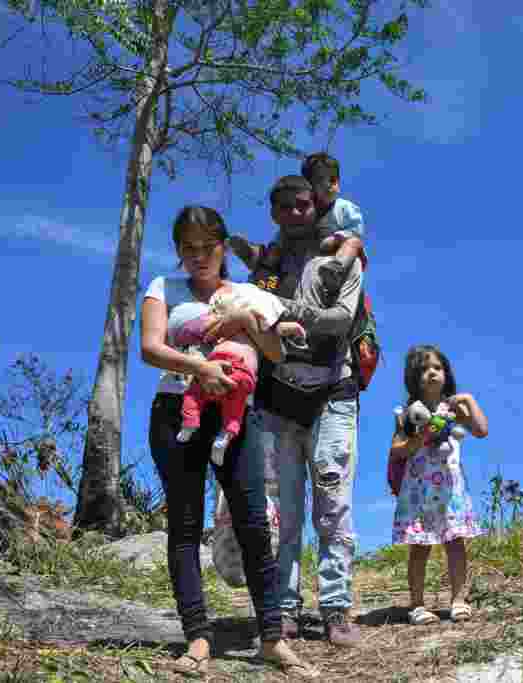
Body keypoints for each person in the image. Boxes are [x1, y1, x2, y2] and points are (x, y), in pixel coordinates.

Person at [140, 205, 316, 676]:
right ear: (178, 251)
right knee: (184, 524)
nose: (199, 257)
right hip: (177, 412)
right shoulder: (163, 288)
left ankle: (272, 637)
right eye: (189, 249)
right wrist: (200, 367)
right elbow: (150, 347)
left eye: (208, 247)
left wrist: (246, 319)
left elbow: (277, 351)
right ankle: (197, 637)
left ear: (223, 247)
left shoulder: (248, 293)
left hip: (238, 414)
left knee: (254, 523)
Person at [230, 175, 365, 647]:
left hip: (333, 393)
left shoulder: (343, 258)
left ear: (318, 205)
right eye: (285, 206)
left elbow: (338, 324)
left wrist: (280, 308)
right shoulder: (264, 269)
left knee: (332, 505)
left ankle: (336, 607)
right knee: (282, 510)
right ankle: (283, 607)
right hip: (276, 399)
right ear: (274, 212)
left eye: (303, 204)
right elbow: (249, 320)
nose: (295, 213)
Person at [387, 344, 489, 626]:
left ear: (446, 373)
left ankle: (458, 600)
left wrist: (468, 399)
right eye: (423, 369)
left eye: (437, 368)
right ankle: (417, 604)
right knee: (420, 546)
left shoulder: (453, 409)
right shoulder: (407, 412)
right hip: (419, 491)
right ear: (413, 377)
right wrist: (422, 436)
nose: (431, 373)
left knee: (456, 543)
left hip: (450, 490)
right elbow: (398, 449)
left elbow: (481, 430)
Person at [173, 280, 306, 468]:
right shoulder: (254, 326)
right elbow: (278, 330)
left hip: (221, 363)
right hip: (243, 372)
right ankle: (224, 438)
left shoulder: (231, 324)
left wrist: (291, 327)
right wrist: (293, 327)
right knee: (234, 411)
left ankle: (190, 422)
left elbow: (209, 334)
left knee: (195, 393)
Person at [228, 152, 367, 304]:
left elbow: (355, 230)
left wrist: (336, 239)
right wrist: (272, 255)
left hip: (331, 262)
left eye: (334, 179)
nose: (330, 184)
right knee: (273, 269)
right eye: (321, 180)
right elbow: (280, 238)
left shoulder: (343, 208)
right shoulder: (299, 216)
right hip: (293, 276)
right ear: (310, 187)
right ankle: (260, 266)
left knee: (351, 244)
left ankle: (336, 268)